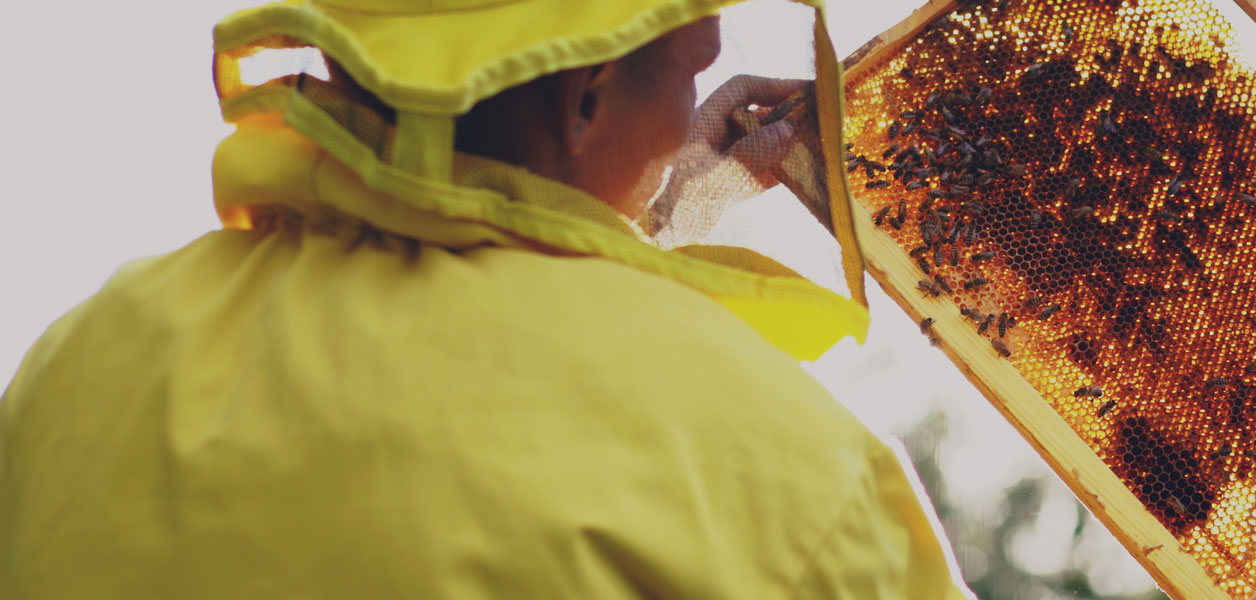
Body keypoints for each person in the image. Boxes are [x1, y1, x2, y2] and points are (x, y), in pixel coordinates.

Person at [0, 0, 965, 597]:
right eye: (690, 61)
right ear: (586, 95)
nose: (695, 102)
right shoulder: (791, 483)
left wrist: (660, 205)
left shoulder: (91, 354)